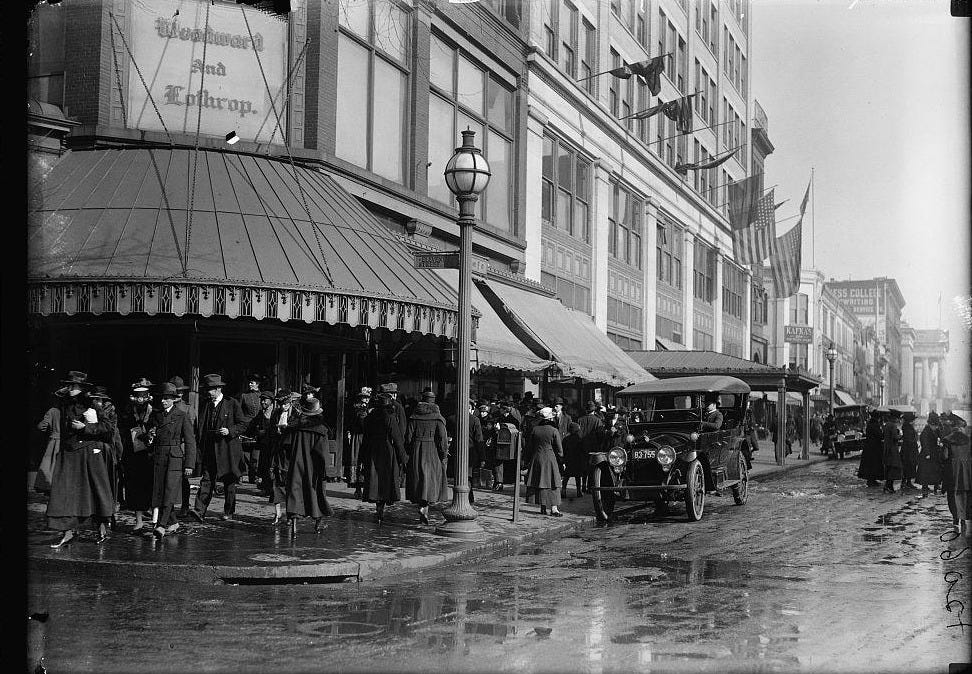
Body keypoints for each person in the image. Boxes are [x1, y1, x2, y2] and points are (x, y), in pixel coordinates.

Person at [46, 375, 115, 548]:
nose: (69, 388)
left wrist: (86, 427)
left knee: (93, 492)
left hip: (87, 454)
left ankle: (102, 530)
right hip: (68, 453)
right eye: (68, 385)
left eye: (73, 386)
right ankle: (68, 533)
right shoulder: (63, 403)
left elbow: (108, 430)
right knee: (63, 493)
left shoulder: (92, 405)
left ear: (81, 387)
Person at [188, 374, 247, 523]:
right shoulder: (205, 404)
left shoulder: (231, 403)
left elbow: (243, 424)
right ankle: (199, 510)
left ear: (219, 389)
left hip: (227, 450)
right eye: (207, 389)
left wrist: (230, 431)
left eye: (212, 389)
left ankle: (228, 511)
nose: (209, 392)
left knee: (229, 482)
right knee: (207, 479)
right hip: (210, 448)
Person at [147, 383, 197, 539]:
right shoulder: (156, 415)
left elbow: (190, 442)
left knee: (169, 491)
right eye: (162, 398)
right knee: (160, 491)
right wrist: (150, 436)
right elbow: (148, 434)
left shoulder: (181, 415)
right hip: (159, 456)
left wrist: (189, 464)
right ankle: (173, 522)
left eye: (167, 399)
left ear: (174, 400)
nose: (163, 401)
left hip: (174, 457)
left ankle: (161, 525)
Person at [277, 396, 332, 536]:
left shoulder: (294, 427)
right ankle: (318, 522)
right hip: (314, 467)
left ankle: (294, 522)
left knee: (295, 490)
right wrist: (326, 470)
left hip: (296, 463)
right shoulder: (321, 429)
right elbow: (322, 452)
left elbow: (285, 446)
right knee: (316, 491)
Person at [360, 392, 407, 523]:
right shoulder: (390, 417)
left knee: (375, 478)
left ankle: (378, 505)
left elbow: (365, 438)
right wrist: (403, 457)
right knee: (386, 479)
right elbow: (397, 438)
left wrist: (362, 457)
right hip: (387, 450)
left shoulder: (370, 417)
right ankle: (382, 504)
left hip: (372, 449)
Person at [405, 390, 450, 525]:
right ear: (434, 401)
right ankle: (425, 507)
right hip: (432, 450)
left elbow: (408, 437)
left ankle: (422, 506)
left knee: (418, 478)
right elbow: (443, 438)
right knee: (431, 479)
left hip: (417, 450)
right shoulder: (438, 417)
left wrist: (410, 451)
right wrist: (443, 454)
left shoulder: (414, 416)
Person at [118, 378, 155, 532]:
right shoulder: (127, 411)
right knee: (134, 488)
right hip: (132, 455)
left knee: (151, 486)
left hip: (149, 454)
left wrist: (151, 434)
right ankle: (138, 520)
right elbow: (123, 430)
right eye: (138, 395)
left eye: (144, 395)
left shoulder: (154, 410)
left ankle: (155, 518)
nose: (141, 398)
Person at [167, 376, 198, 518]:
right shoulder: (165, 407)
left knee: (184, 479)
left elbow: (192, 432)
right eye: (176, 391)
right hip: (169, 447)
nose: (178, 394)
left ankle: (185, 505)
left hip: (182, 447)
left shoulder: (187, 409)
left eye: (180, 391)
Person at [525, 407, 564, 517]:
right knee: (553, 483)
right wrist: (561, 460)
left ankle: (542, 507)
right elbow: (559, 449)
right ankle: (554, 508)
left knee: (540, 482)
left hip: (537, 458)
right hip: (550, 458)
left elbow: (529, 447)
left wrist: (527, 460)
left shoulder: (535, 429)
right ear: (551, 419)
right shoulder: (553, 430)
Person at [942, 428, 972, 535]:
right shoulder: (968, 441)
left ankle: (955, 518)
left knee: (953, 495)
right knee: (964, 495)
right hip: (967, 472)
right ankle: (963, 519)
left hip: (953, 472)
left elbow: (945, 456)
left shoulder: (948, 442)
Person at [245, 390, 277, 490]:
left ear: (271, 401)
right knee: (263, 465)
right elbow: (253, 425)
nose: (263, 402)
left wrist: (264, 432)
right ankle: (265, 487)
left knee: (269, 466)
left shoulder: (274, 412)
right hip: (263, 443)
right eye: (262, 400)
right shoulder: (261, 412)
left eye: (265, 400)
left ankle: (269, 488)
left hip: (272, 444)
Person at [344, 388, 371, 498]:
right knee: (357, 461)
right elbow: (357, 424)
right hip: (359, 437)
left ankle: (363, 488)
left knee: (364, 461)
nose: (366, 400)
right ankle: (358, 488)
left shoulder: (368, 409)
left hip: (365, 437)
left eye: (367, 398)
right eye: (364, 398)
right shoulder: (357, 410)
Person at [575, 401, 603, 494]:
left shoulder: (580, 420)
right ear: (594, 410)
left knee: (583, 467)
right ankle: (591, 487)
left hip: (582, 446)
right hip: (594, 447)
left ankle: (583, 485)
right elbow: (600, 435)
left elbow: (577, 434)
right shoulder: (597, 420)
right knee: (592, 468)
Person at [918, 411, 945, 497]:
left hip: (935, 453)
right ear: (931, 424)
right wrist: (927, 453)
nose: (936, 427)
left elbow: (940, 437)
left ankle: (936, 486)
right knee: (926, 472)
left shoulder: (936, 430)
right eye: (935, 426)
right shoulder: (926, 431)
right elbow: (924, 443)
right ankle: (924, 486)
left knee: (936, 471)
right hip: (928, 454)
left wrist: (940, 442)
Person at [858, 411, 884, 487]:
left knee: (870, 464)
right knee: (874, 464)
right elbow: (879, 435)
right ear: (877, 418)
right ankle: (871, 481)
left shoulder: (870, 424)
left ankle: (872, 480)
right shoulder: (875, 425)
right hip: (874, 447)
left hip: (869, 447)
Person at [882, 409, 904, 494]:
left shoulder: (887, 424)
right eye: (898, 418)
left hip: (887, 448)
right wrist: (901, 436)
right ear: (895, 418)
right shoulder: (893, 425)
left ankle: (888, 486)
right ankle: (889, 486)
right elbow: (895, 437)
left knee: (888, 468)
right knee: (893, 468)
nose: (898, 420)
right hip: (892, 450)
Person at [560, 421, 585, 498]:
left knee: (566, 476)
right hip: (577, 460)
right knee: (578, 477)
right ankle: (578, 491)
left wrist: (563, 460)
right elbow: (582, 450)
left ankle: (563, 490)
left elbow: (563, 449)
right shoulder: (580, 439)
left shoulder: (566, 439)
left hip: (568, 460)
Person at [900, 412, 920, 492]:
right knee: (908, 465)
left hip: (909, 449)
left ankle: (907, 482)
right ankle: (905, 482)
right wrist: (914, 442)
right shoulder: (907, 427)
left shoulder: (908, 427)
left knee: (910, 466)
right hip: (908, 450)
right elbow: (909, 439)